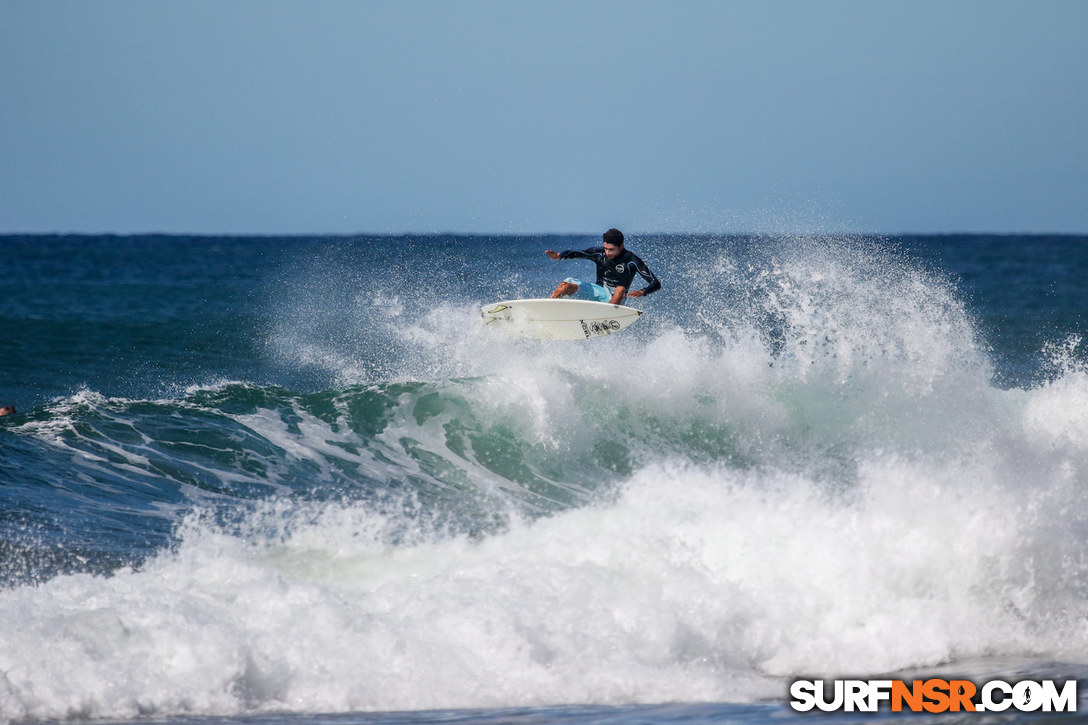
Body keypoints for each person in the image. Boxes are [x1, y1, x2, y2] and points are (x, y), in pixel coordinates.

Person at [545, 228, 661, 305]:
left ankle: (607, 314)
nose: (607, 253)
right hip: (597, 291)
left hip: (615, 299)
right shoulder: (599, 254)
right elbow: (578, 253)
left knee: (620, 289)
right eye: (606, 248)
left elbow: (655, 283)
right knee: (565, 285)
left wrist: (642, 292)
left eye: (611, 250)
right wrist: (559, 256)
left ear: (621, 246)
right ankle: (548, 309)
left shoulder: (631, 261)